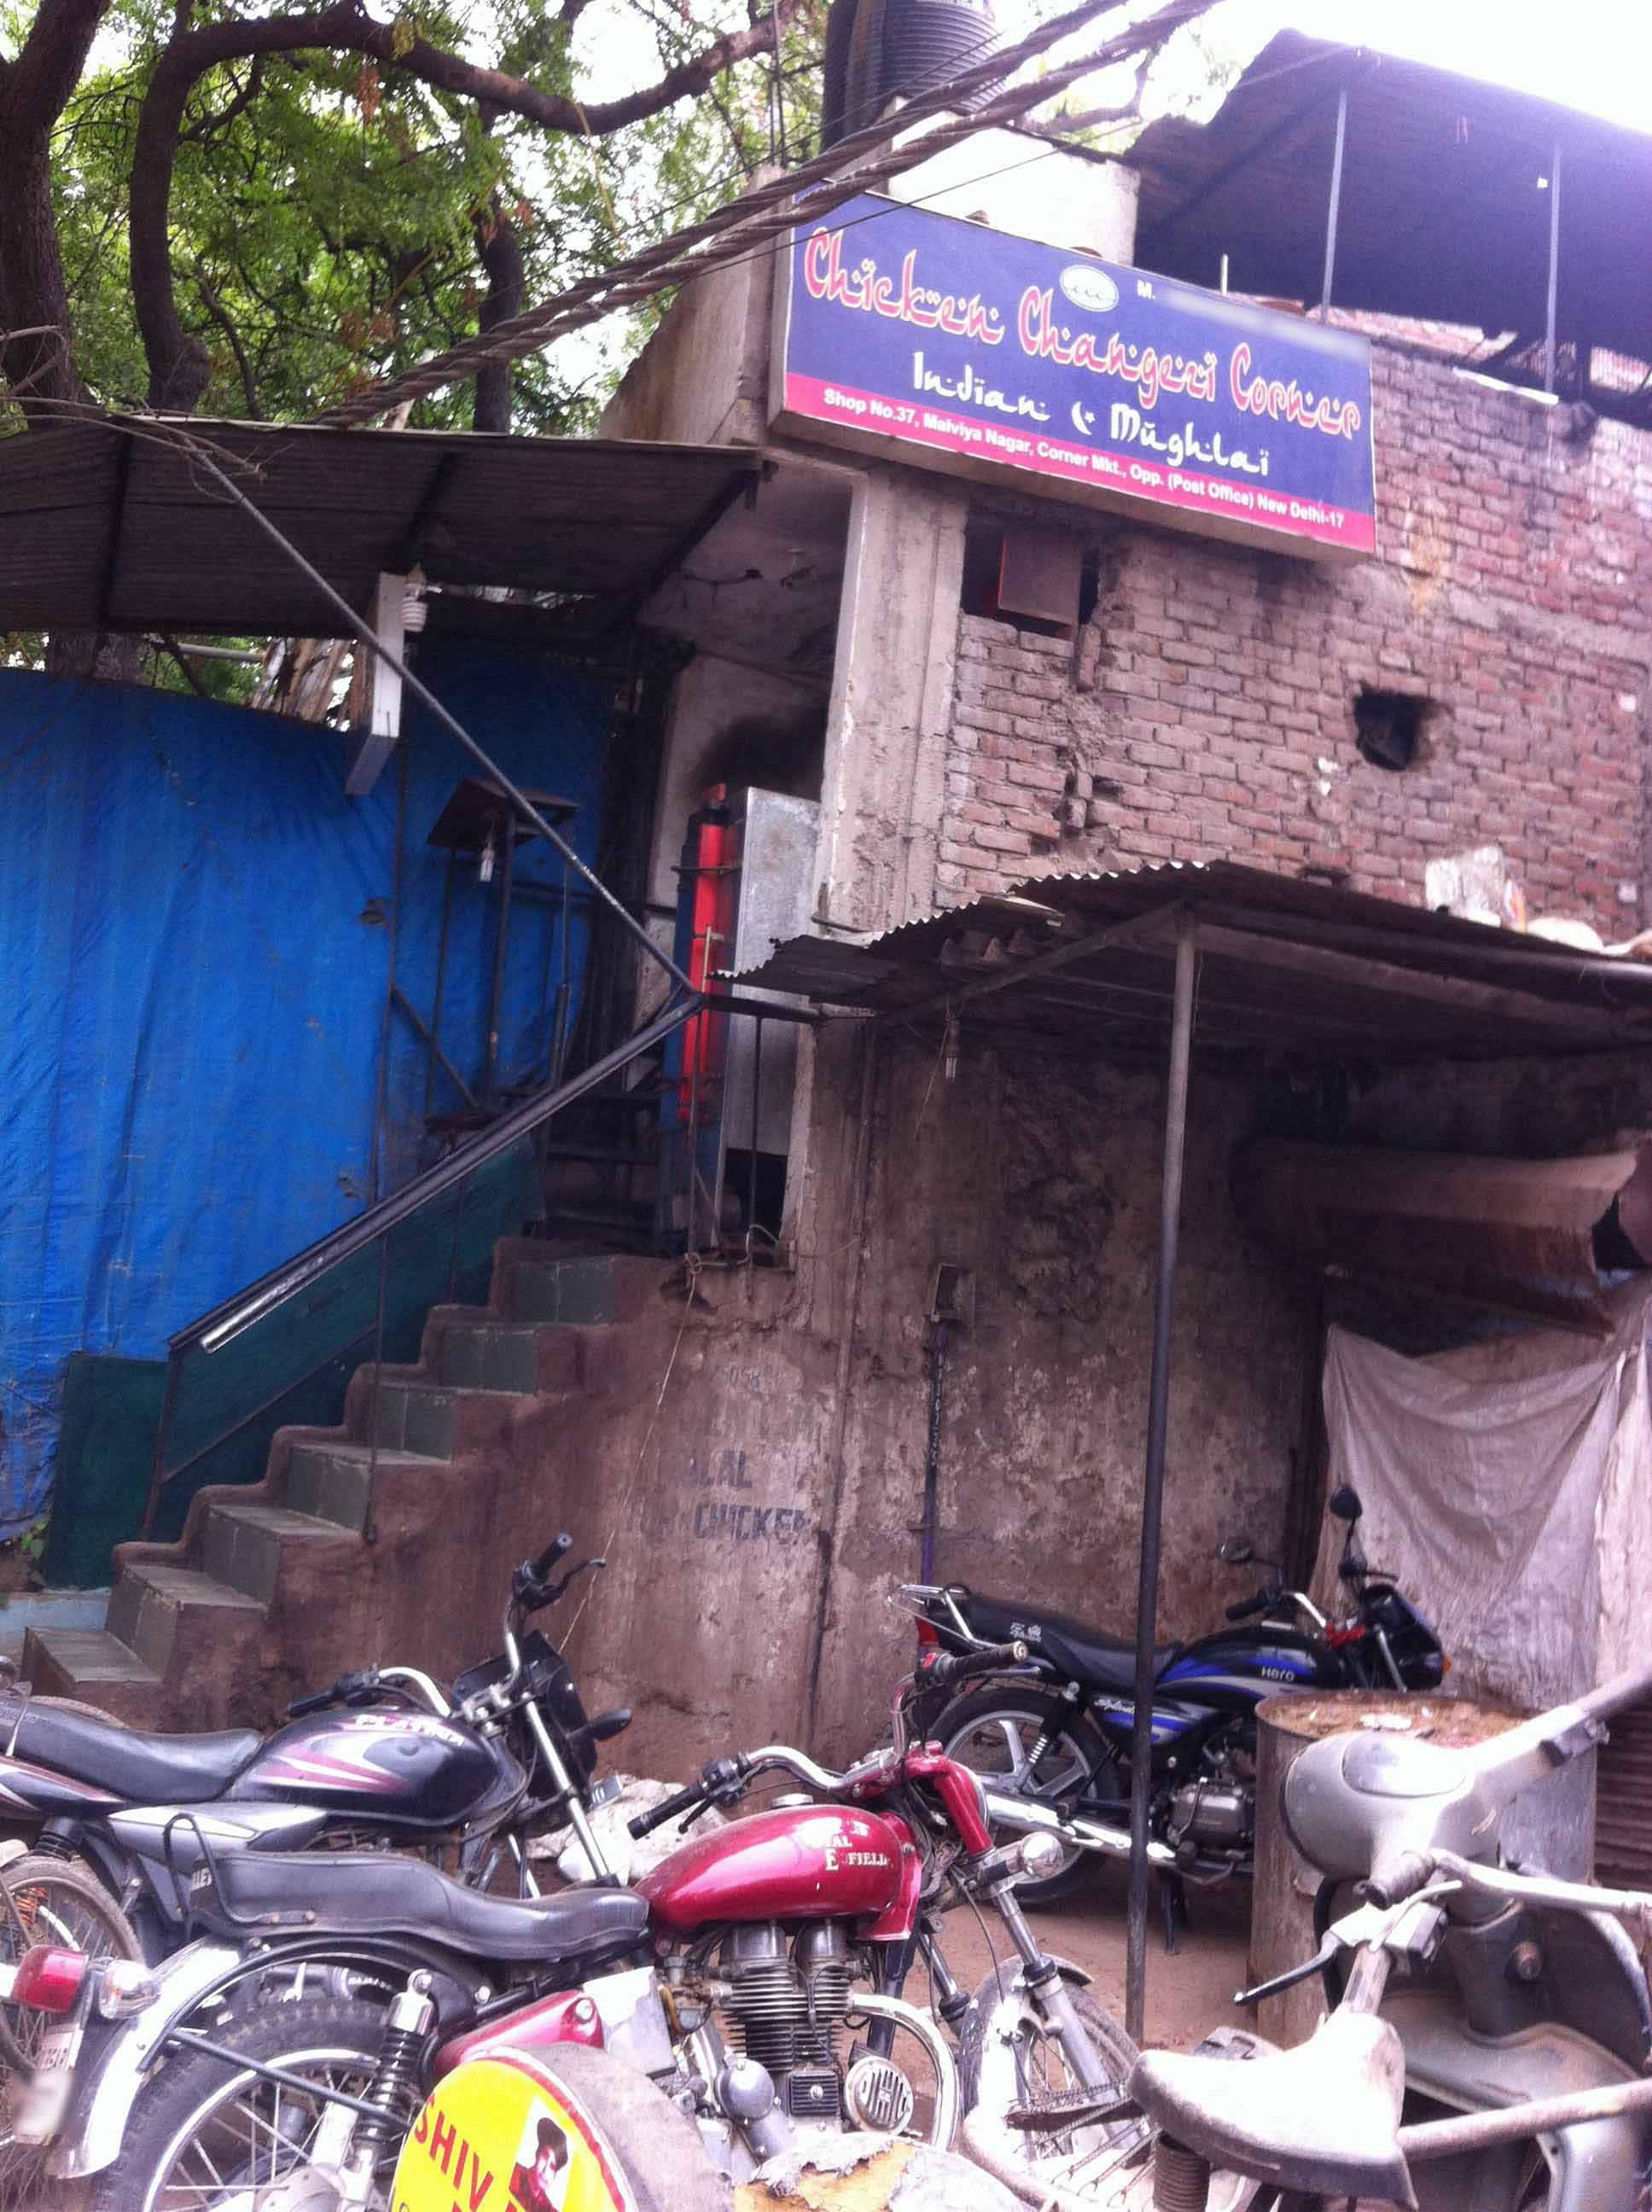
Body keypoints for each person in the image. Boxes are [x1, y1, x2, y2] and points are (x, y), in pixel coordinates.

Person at [510, 2113, 569, 2212]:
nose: (545, 2170)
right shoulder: (513, 2173)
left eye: (552, 2166)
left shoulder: (547, 2208)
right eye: (545, 2157)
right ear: (537, 2154)